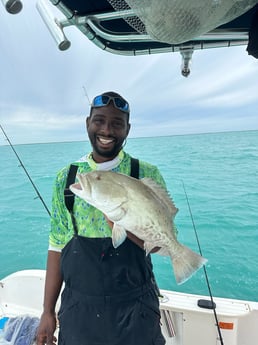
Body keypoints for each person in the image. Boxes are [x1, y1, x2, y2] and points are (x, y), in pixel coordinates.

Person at [36, 91, 166, 345]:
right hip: (79, 311)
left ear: (127, 129)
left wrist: (125, 225)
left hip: (136, 307)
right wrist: (48, 310)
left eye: (117, 123)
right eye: (99, 120)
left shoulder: (146, 174)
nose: (107, 130)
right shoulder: (68, 178)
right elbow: (57, 244)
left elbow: (160, 244)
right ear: (88, 123)